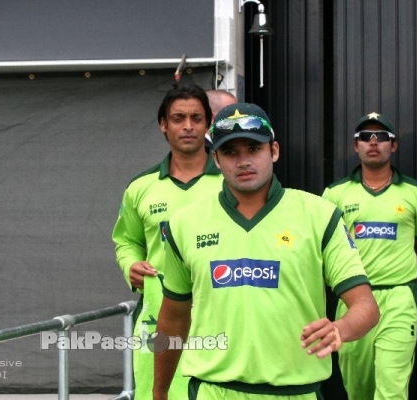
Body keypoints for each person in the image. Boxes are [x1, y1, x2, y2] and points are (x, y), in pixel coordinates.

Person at [153, 103, 380, 400]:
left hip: (297, 392)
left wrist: (341, 328)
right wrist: (159, 392)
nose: (243, 161)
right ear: (217, 160)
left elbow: (366, 307)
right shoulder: (185, 224)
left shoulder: (320, 216)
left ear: (274, 151)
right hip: (214, 391)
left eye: (253, 148)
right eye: (231, 152)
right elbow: (173, 318)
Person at [112, 82, 223, 399]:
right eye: (178, 118)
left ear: (207, 124)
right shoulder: (141, 187)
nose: (188, 126)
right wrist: (130, 265)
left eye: (196, 118)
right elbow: (127, 241)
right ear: (164, 124)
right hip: (157, 320)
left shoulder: (232, 184)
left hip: (218, 320)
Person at [322, 112, 417, 400]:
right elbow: (319, 254)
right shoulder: (335, 194)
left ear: (393, 146)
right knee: (358, 389)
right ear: (354, 146)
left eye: (382, 136)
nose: (374, 142)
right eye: (365, 137)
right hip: (353, 301)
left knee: (392, 388)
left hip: (399, 299)